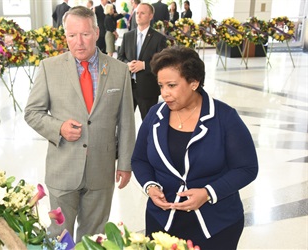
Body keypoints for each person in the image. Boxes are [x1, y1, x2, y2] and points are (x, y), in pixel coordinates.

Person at [24, 6, 135, 242]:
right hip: (63, 168)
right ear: (65, 35)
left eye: (84, 34)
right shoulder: (49, 68)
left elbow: (126, 121)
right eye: (72, 35)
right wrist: (59, 128)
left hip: (101, 170)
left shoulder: (119, 70)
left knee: (94, 236)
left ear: (96, 32)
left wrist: (125, 163)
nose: (79, 42)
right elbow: (32, 112)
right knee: (58, 235)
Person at [131, 47, 258, 250]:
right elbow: (139, 159)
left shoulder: (224, 117)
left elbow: (247, 168)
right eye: (161, 85)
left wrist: (208, 193)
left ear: (194, 83)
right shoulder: (155, 114)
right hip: (163, 222)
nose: (164, 93)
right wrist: (150, 186)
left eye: (172, 85)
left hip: (216, 224)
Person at [118, 3, 167, 120]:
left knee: (149, 123)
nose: (138, 16)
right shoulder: (127, 36)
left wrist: (144, 65)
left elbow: (162, 63)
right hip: (128, 88)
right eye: (137, 13)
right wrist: (127, 65)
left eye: (142, 13)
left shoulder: (159, 38)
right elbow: (120, 58)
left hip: (148, 89)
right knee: (125, 122)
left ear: (150, 16)